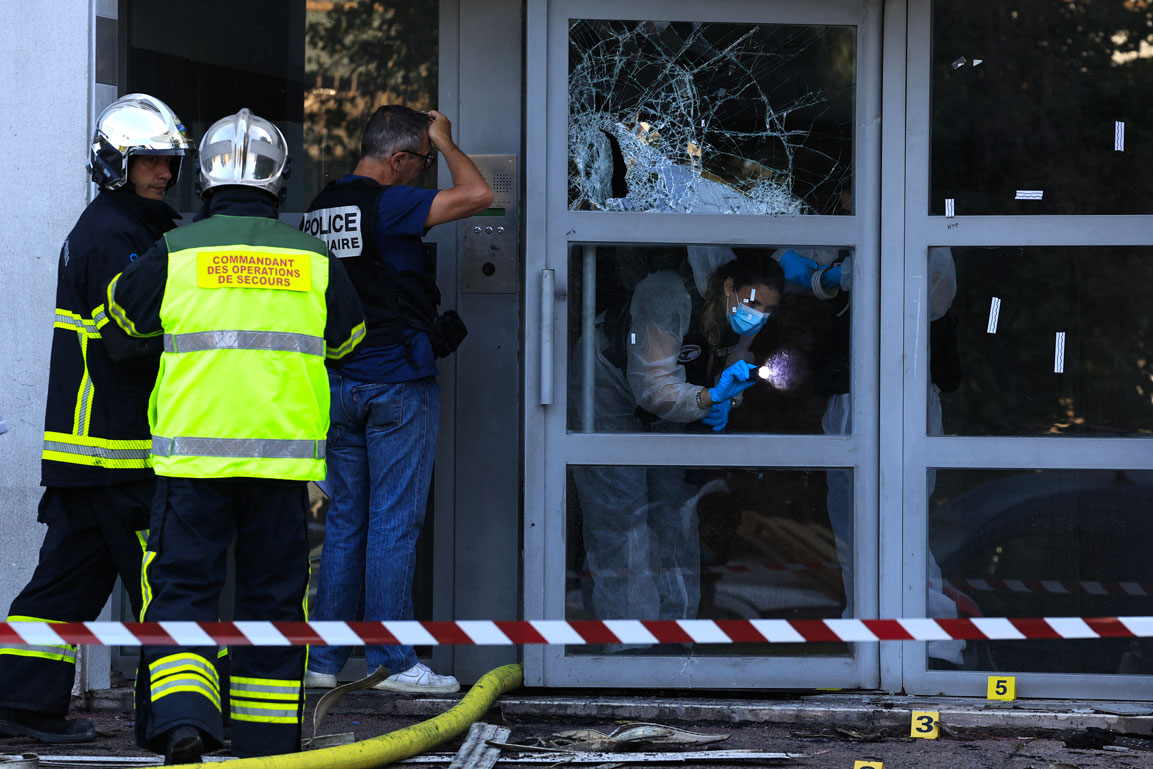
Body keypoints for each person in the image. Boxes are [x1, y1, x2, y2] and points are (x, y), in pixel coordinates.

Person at [106, 108, 365, 763]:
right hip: (280, 470)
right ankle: (265, 740)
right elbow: (350, 337)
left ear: (205, 180)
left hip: (193, 459)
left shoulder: (176, 249)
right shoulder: (314, 256)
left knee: (184, 592)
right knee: (272, 600)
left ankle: (185, 721)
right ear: (279, 181)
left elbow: (122, 317)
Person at [0, 94, 191, 745]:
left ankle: (22, 704)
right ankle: (177, 719)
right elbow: (129, 340)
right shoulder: (115, 234)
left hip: (96, 450)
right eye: (148, 162)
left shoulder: (132, 226)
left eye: (168, 161)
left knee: (65, 582)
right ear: (116, 164)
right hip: (115, 448)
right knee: (163, 583)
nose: (162, 173)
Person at [301, 105, 491, 693]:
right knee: (393, 522)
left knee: (346, 522)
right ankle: (393, 661)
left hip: (336, 384)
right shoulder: (391, 202)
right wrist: (449, 140)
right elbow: (479, 194)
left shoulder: (320, 208)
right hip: (396, 385)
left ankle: (324, 664)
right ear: (398, 159)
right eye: (421, 162)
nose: (422, 173)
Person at [569, 247, 784, 625]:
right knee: (620, 516)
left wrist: (725, 400)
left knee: (674, 511)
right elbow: (652, 388)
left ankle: (674, 631)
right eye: (753, 302)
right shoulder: (668, 295)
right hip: (611, 389)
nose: (757, 316)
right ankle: (629, 638)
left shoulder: (737, 320)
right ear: (729, 286)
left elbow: (731, 369)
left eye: (767, 310)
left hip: (677, 395)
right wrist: (709, 397)